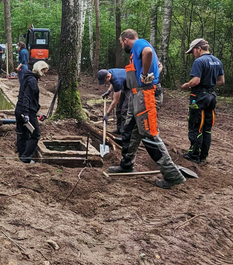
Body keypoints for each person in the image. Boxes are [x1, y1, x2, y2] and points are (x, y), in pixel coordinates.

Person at [109, 29, 186, 189]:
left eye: (121, 43)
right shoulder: (135, 54)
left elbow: (148, 52)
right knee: (130, 131)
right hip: (137, 95)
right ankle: (126, 165)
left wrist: (144, 74)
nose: (122, 46)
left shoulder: (139, 44)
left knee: (149, 135)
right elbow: (152, 66)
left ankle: (172, 175)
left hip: (146, 95)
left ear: (126, 40)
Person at [180, 39, 225, 163]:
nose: (193, 54)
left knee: (196, 125)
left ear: (198, 49)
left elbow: (195, 81)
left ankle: (194, 155)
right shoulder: (217, 61)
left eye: (193, 51)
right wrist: (209, 84)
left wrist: (186, 85)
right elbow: (221, 81)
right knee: (206, 127)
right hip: (211, 95)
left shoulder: (199, 61)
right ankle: (203, 156)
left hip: (199, 96)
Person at [15, 61, 49, 163]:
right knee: (35, 134)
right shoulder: (32, 80)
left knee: (23, 133)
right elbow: (27, 97)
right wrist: (26, 114)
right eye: (44, 70)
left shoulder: (27, 78)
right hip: (27, 111)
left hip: (20, 109)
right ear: (40, 69)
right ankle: (26, 158)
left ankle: (21, 155)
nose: (45, 73)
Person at [96, 68, 128, 136]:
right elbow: (112, 81)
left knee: (124, 111)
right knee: (118, 109)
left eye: (104, 81)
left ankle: (123, 133)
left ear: (108, 77)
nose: (104, 83)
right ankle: (119, 130)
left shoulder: (117, 81)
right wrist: (108, 91)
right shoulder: (109, 72)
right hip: (123, 84)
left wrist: (107, 114)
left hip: (131, 88)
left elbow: (115, 100)